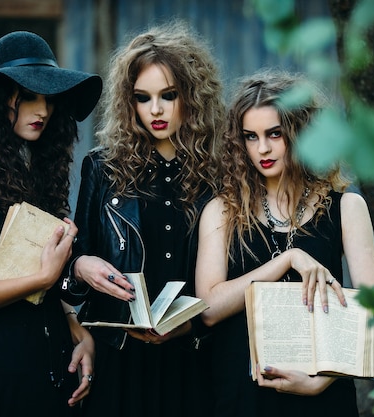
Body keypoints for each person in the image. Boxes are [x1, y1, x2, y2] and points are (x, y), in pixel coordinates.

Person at [195, 69, 374, 416]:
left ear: (300, 133)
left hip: (323, 398)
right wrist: (285, 260)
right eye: (250, 137)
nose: (262, 148)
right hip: (241, 397)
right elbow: (207, 309)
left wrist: (321, 380)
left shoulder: (346, 206)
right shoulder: (221, 210)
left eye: (275, 134)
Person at [0, 31, 102, 417]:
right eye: (28, 96)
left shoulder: (36, 175)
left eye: (49, 98)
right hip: (0, 377)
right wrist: (41, 280)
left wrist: (77, 328)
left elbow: (45, 283)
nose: (42, 109)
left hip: (56, 372)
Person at [65, 21, 225, 417]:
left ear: (193, 96)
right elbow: (72, 270)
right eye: (143, 97)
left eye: (168, 95)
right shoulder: (102, 168)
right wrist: (80, 265)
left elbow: (233, 275)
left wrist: (194, 328)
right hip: (120, 356)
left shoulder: (220, 174)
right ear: (128, 101)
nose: (155, 110)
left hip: (194, 355)